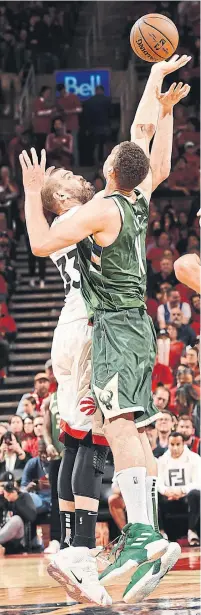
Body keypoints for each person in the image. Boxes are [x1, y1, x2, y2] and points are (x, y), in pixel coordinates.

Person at [20, 56, 191, 604]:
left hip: (109, 325)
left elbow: (41, 242)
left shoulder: (100, 208)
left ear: (111, 175)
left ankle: (123, 537)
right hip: (133, 325)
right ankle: (143, 531)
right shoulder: (138, 197)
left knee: (111, 429)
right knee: (130, 430)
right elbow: (149, 151)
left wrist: (30, 189)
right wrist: (158, 93)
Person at [157, 432, 201, 546]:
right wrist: (165, 491)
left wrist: (182, 490)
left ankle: (192, 531)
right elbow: (158, 482)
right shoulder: (161, 460)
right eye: (172, 444)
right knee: (153, 494)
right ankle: (161, 533)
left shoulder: (195, 458)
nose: (175, 448)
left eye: (178, 444)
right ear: (168, 444)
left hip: (187, 497)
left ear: (183, 444)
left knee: (196, 494)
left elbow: (198, 482)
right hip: (168, 496)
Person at [0, 473, 36, 555]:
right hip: (3, 541)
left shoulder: (23, 496)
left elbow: (32, 517)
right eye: (3, 485)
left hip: (18, 539)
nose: (6, 488)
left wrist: (16, 500)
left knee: (16, 519)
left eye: (10, 484)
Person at [21, 438, 51, 514]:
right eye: (41, 452)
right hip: (38, 498)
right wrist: (28, 487)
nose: (44, 455)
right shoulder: (32, 463)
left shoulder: (58, 463)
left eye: (46, 452)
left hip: (55, 499)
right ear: (37, 451)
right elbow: (23, 488)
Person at [84, 85, 112, 165]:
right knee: (105, 144)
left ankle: (96, 162)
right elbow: (111, 113)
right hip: (105, 125)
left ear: (95, 91)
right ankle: (106, 163)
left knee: (96, 145)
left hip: (94, 127)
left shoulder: (89, 101)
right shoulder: (107, 100)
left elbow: (87, 116)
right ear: (103, 91)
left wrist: (88, 128)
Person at [56, 83, 82, 166]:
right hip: (63, 126)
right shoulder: (59, 100)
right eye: (60, 92)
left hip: (73, 125)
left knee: (74, 145)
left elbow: (79, 109)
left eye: (62, 91)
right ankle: (66, 165)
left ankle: (76, 164)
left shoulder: (73, 97)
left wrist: (69, 111)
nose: (62, 93)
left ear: (65, 89)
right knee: (64, 146)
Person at [32, 86, 54, 156]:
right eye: (47, 93)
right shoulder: (38, 101)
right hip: (40, 129)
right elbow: (38, 112)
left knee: (45, 147)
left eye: (49, 93)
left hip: (46, 128)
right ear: (42, 93)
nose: (48, 95)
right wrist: (50, 111)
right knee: (40, 146)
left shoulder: (46, 103)